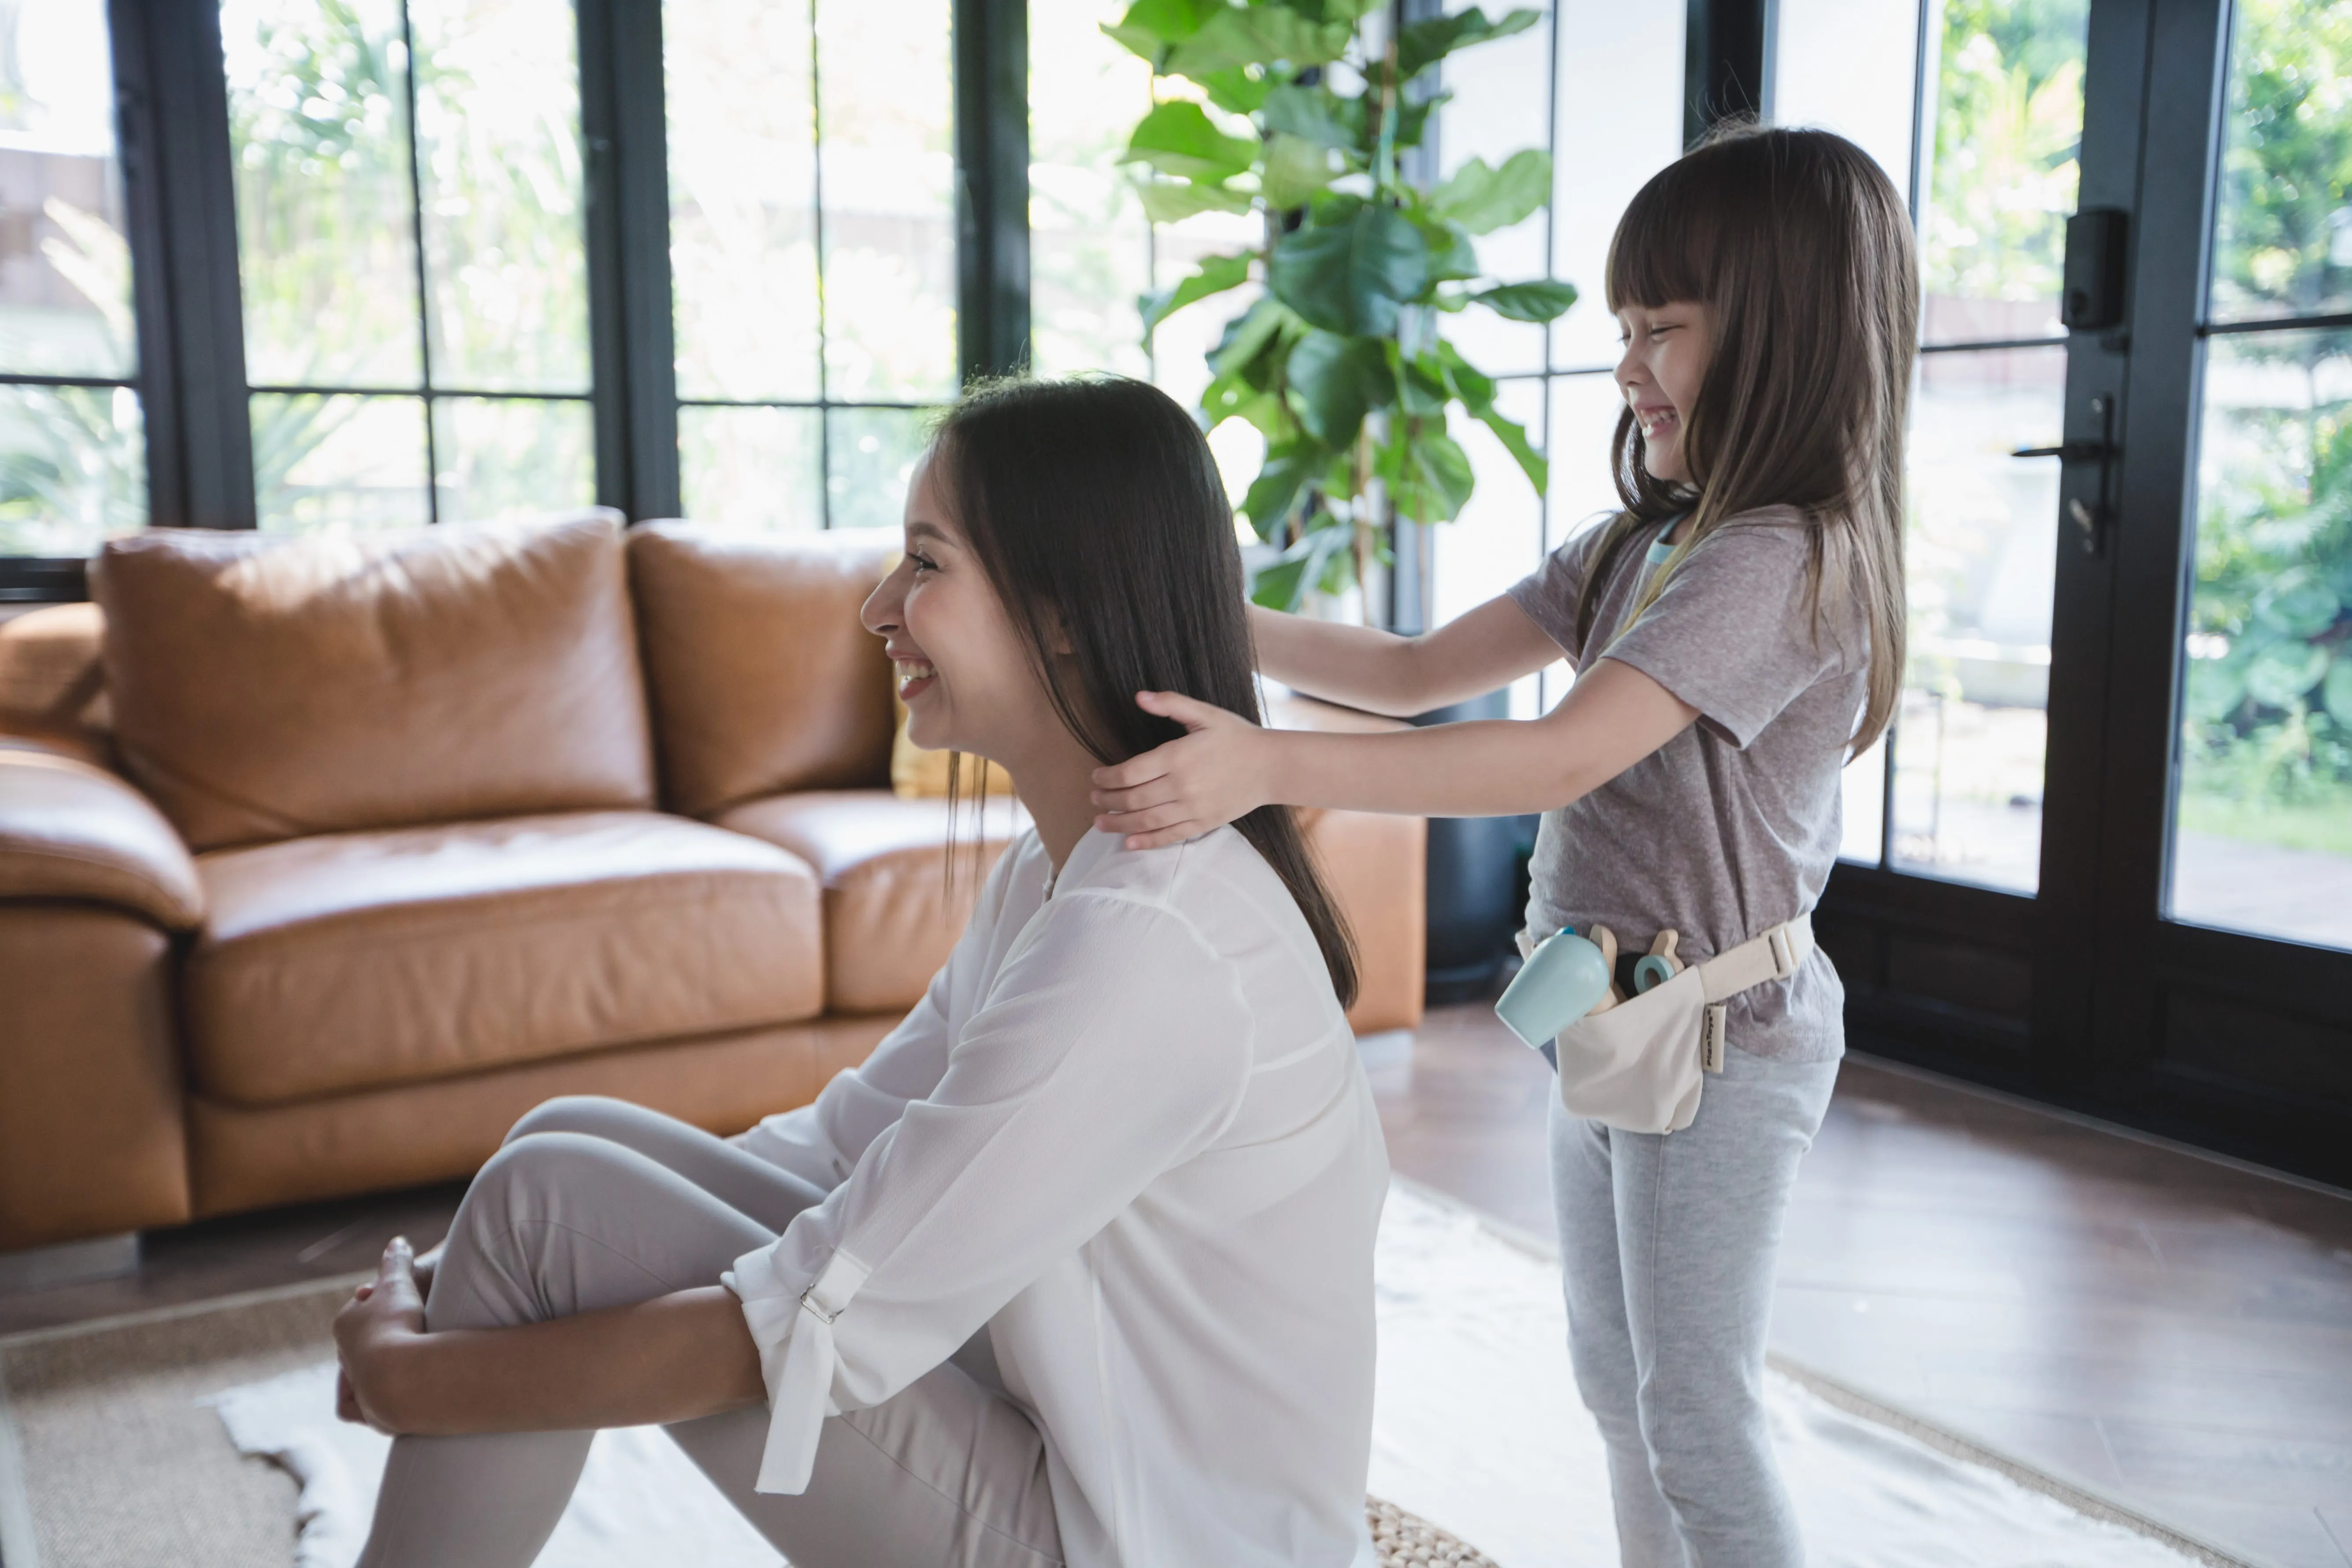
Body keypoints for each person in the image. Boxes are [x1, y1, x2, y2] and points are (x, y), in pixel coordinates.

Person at [330, 375, 1390, 1568]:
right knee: (555, 1154)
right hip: (1070, 1467)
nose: (881, 607)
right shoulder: (1067, 876)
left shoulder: (1151, 938)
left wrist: (431, 1377)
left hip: (1130, 1543)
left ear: (1065, 614)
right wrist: (451, 1279)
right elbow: (841, 1154)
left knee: (558, 1210)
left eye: (926, 565)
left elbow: (811, 1324)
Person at [1086, 125, 1915, 1568]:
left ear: (1784, 331)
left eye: (1661, 327)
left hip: (1720, 1047)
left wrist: (1262, 764)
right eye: (1623, 329)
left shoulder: (1778, 560)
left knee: (1695, 1409)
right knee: (1622, 1386)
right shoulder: (1633, 544)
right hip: (1613, 1025)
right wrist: (1191, 607)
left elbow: (1551, 753)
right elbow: (1412, 668)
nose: (1628, 366)